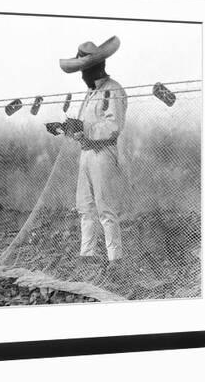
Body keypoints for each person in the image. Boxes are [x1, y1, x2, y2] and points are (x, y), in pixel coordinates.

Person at [58, 36, 128, 277]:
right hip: (86, 153)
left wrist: (84, 130)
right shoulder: (90, 94)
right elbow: (85, 125)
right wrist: (71, 129)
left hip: (103, 153)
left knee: (105, 208)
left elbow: (113, 126)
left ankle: (115, 260)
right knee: (85, 207)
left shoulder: (113, 89)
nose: (82, 76)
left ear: (94, 68)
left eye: (83, 71)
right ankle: (87, 256)